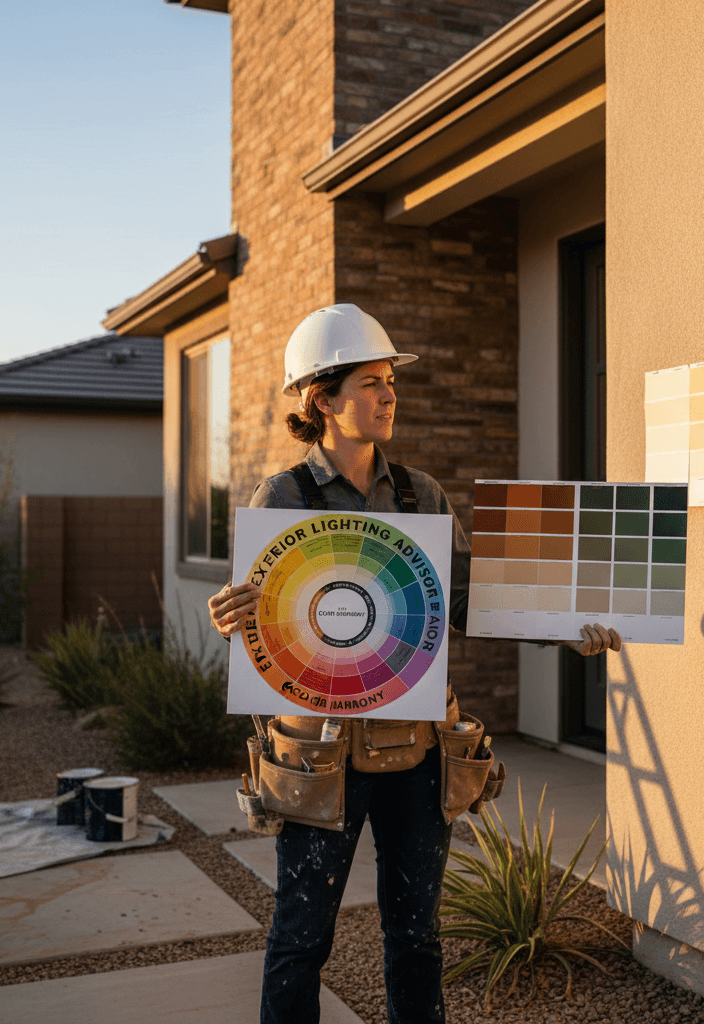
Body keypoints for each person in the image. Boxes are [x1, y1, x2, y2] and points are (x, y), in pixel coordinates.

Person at [208, 304, 622, 1024]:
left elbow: (472, 601)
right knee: (301, 941)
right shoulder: (282, 498)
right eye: (371, 382)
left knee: (416, 938)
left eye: (390, 381)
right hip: (319, 757)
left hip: (417, 751)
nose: (389, 395)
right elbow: (266, 635)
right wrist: (230, 618)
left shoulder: (420, 495)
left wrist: (567, 629)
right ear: (320, 399)